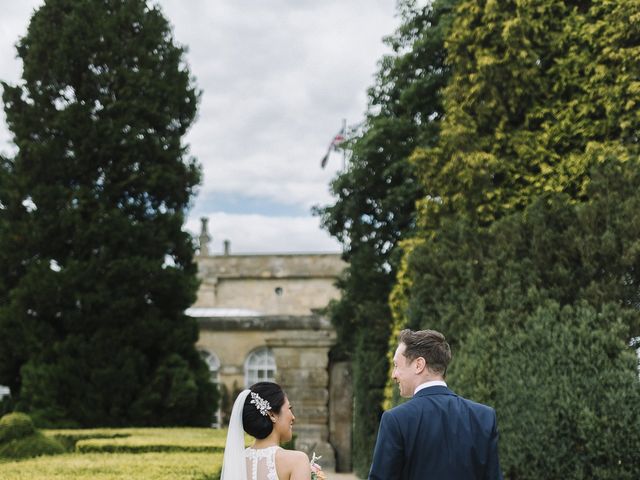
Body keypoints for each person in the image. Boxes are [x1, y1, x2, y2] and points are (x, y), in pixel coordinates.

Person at [369, 329, 503, 480]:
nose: (394, 374)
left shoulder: (396, 420)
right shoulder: (484, 416)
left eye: (396, 365)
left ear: (419, 365)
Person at [221, 381, 327, 480]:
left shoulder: (235, 462)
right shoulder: (297, 461)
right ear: (272, 415)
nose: (293, 417)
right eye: (289, 408)